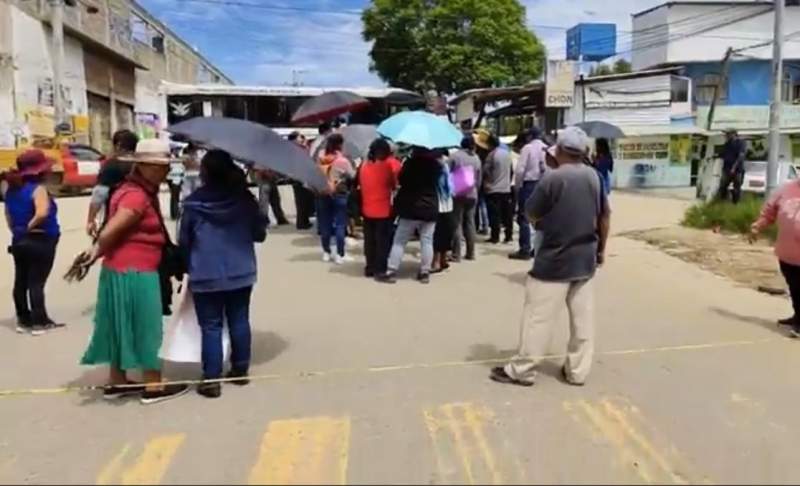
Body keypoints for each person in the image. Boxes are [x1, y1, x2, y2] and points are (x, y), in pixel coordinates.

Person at [490, 127, 610, 387]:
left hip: (554, 260)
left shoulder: (553, 179)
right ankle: (578, 371)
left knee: (538, 318)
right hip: (585, 258)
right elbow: (604, 216)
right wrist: (600, 250)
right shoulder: (594, 176)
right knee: (582, 321)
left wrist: (548, 221)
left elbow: (531, 213)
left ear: (560, 151)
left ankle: (523, 370)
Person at [80, 139, 190, 405]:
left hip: (118, 269)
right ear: (144, 166)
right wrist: (94, 251)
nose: (164, 172)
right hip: (137, 271)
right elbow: (117, 225)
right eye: (159, 167)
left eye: (165, 166)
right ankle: (153, 384)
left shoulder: (129, 189)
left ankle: (117, 380)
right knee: (146, 326)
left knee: (120, 325)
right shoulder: (136, 196)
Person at [179, 150, 268, 399]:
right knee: (239, 319)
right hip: (241, 270)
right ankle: (240, 369)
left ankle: (211, 378)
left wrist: (187, 265)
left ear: (205, 172)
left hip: (205, 272)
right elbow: (259, 234)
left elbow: (184, 240)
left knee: (211, 326)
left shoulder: (193, 204)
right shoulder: (244, 200)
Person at [4, 150, 62, 336]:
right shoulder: (38, 190)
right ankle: (40, 321)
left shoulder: (11, 190)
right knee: (36, 282)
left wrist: (18, 231)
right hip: (41, 239)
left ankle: (24, 319)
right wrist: (30, 227)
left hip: (19, 241)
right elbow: (42, 213)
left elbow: (8, 215)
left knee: (21, 281)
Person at [377, 147, 442, 284]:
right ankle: (425, 272)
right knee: (427, 241)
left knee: (400, 240)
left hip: (410, 207)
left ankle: (392, 270)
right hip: (430, 206)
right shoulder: (436, 165)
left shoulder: (409, 164)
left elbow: (401, 180)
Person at [750, 178, 800, 338]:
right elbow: (770, 212)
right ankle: (797, 316)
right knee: (794, 287)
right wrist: (758, 226)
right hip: (787, 252)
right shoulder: (786, 189)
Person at [359, 138, 400, 278]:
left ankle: (369, 267)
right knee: (383, 241)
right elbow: (396, 183)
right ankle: (380, 268)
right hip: (384, 209)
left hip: (367, 207)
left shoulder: (364, 165)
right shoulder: (390, 164)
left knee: (369, 240)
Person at [85, 129, 139, 237]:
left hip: (116, 218)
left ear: (118, 145)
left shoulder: (112, 164)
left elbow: (99, 194)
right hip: (142, 216)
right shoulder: (142, 163)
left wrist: (90, 220)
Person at [510, 128, 548, 260]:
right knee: (540, 218)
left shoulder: (528, 148)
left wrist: (517, 186)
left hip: (529, 184)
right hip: (543, 184)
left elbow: (520, 170)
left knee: (524, 217)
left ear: (530, 136)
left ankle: (524, 249)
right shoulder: (546, 148)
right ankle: (538, 248)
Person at [317, 133, 355, 264]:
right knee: (340, 224)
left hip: (322, 193)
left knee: (325, 224)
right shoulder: (342, 161)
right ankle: (340, 254)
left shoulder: (320, 157)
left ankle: (326, 252)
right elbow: (352, 175)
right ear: (340, 145)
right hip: (339, 194)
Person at [450, 137, 482, 261]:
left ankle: (456, 254)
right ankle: (471, 252)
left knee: (457, 222)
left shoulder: (454, 157)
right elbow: (479, 178)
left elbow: (447, 173)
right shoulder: (476, 158)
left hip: (458, 193)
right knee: (470, 222)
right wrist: (476, 190)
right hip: (472, 193)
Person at [483, 134, 514, 244]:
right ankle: (508, 235)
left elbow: (486, 171)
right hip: (506, 189)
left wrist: (487, 182)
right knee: (507, 215)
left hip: (493, 189)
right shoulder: (507, 154)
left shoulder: (491, 155)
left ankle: (495, 237)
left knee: (494, 215)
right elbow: (511, 170)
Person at [432, 152, 454, 273]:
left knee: (436, 234)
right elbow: (451, 185)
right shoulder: (447, 163)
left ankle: (436, 261)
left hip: (437, 203)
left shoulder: (433, 165)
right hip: (448, 203)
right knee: (446, 233)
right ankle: (443, 260)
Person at [288, 132, 315, 230]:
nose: (303, 139)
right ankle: (302, 223)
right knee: (302, 201)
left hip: (300, 177)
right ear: (294, 139)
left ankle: (304, 221)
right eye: (300, 137)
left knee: (304, 200)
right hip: (299, 178)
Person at [718, 129, 746, 204]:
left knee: (737, 187)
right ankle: (723, 201)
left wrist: (734, 167)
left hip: (737, 169)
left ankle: (736, 203)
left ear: (733, 134)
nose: (726, 135)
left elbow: (741, 156)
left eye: (728, 134)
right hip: (726, 168)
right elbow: (723, 154)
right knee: (723, 186)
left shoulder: (740, 143)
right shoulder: (727, 144)